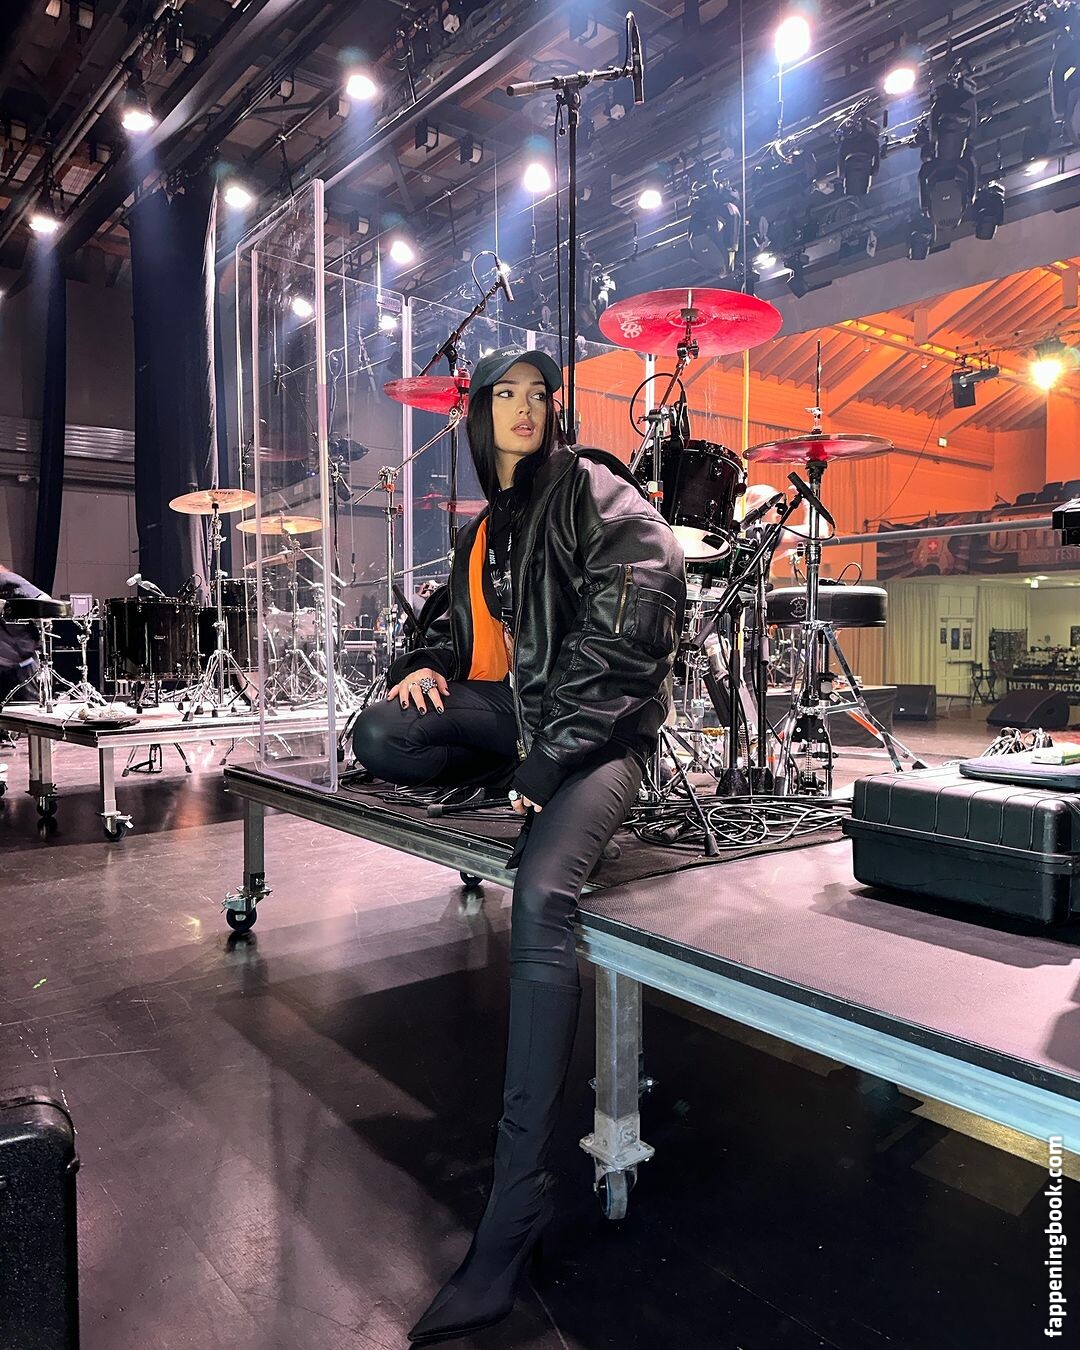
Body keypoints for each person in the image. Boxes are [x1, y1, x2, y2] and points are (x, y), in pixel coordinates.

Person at [351, 347, 686, 1344]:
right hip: (521, 720)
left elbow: (637, 610)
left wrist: (545, 766)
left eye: (540, 394)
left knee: (541, 899)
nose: (527, 408)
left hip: (600, 740)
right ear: (480, 414)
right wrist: (420, 664)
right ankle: (501, 773)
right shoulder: (485, 528)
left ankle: (515, 1205)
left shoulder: (589, 489)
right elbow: (448, 627)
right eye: (508, 395)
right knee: (383, 732)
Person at [0, 564, 46, 710]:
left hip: (22, 660)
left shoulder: (7, 580)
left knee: (30, 709)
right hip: (5, 661)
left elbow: (44, 600)